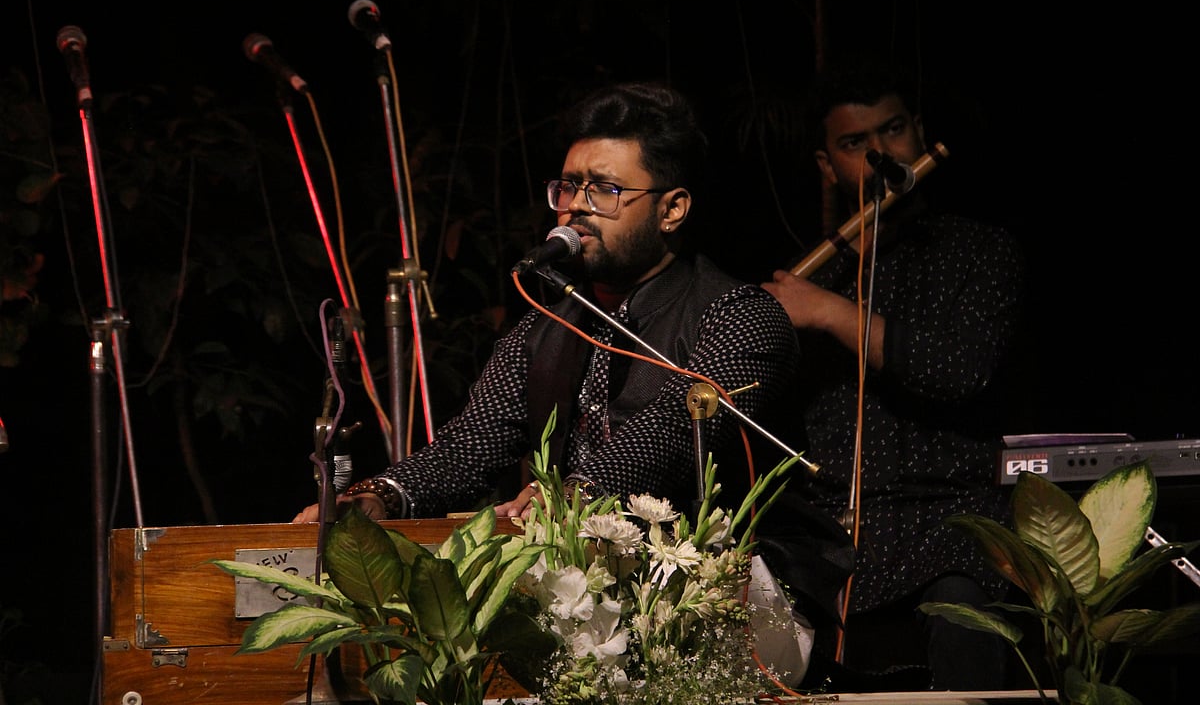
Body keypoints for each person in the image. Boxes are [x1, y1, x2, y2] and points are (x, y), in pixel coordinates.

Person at [293, 80, 804, 531]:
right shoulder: (544, 331)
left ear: (671, 209)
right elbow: (472, 444)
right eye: (569, 186)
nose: (575, 204)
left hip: (735, 581)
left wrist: (575, 492)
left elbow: (673, 428)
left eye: (604, 189)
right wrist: (380, 496)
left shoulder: (740, 315)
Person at [761, 59, 1026, 691]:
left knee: (964, 614)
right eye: (855, 143)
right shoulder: (811, 276)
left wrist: (832, 314)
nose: (881, 154)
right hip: (831, 534)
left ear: (918, 131)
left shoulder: (981, 252)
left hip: (952, 522)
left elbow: (957, 370)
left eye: (894, 130)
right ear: (827, 165)